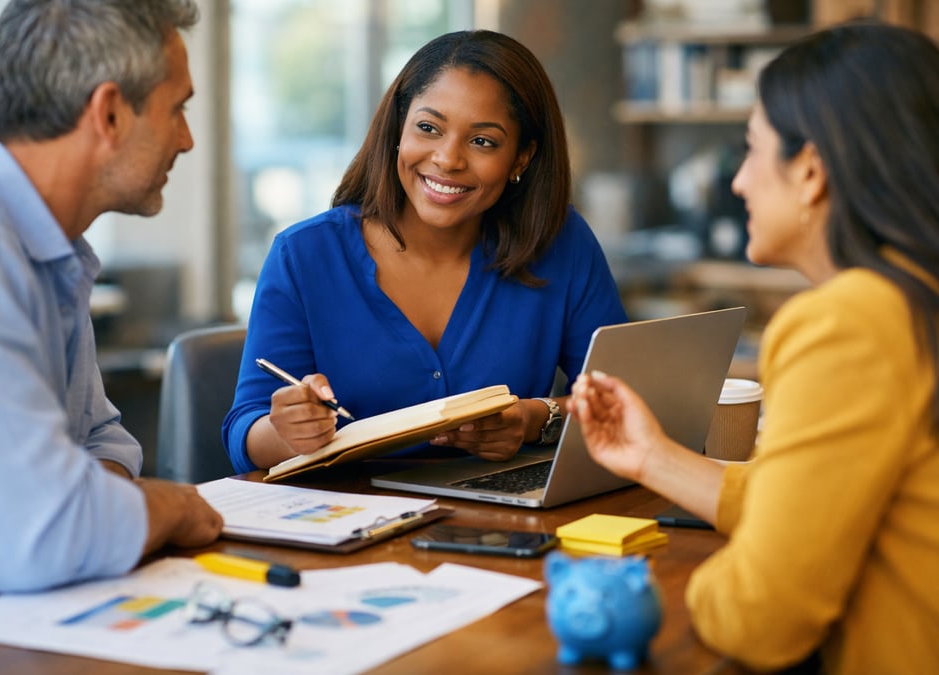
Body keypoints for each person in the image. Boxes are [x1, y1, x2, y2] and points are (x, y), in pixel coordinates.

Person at [569, 21, 939, 674]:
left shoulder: (848, 320)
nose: (737, 181)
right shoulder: (915, 300)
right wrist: (654, 457)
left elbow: (761, 614)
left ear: (811, 170)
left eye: (750, 149)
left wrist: (685, 588)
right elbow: (816, 498)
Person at [0, 0, 223, 614]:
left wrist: (91, 510)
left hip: (15, 617)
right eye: (179, 109)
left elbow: (103, 443)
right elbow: (40, 531)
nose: (188, 139)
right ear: (110, 112)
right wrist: (168, 505)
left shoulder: (50, 250)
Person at [224, 30, 627, 472]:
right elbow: (247, 432)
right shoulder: (304, 256)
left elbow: (624, 402)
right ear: (399, 127)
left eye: (483, 141)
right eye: (428, 128)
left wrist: (534, 420)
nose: (448, 159)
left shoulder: (559, 243)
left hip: (502, 524)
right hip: (350, 523)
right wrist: (288, 432)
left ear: (521, 158)